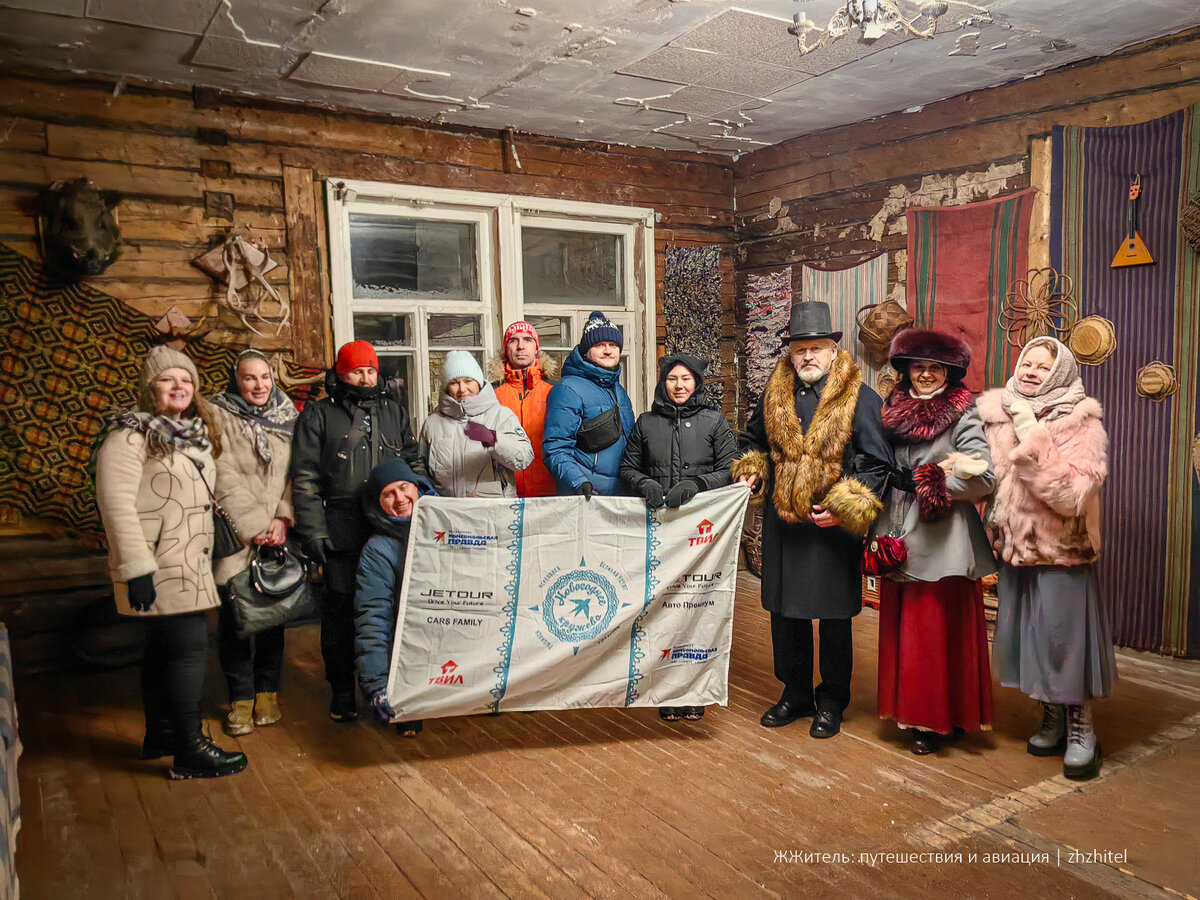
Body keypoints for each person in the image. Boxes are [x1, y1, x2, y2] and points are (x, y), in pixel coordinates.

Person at [733, 301, 892, 739]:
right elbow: (753, 441)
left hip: (832, 528)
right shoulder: (774, 393)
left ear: (832, 351)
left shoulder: (859, 395)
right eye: (800, 348)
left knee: (835, 618)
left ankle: (832, 700)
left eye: (816, 348)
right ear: (791, 352)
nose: (807, 356)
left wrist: (844, 506)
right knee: (785, 615)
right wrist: (752, 468)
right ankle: (796, 693)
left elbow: (877, 461)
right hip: (786, 526)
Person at [94, 344, 247, 779]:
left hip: (188, 562)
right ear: (150, 388)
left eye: (186, 379)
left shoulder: (195, 434)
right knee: (187, 652)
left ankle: (161, 735)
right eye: (167, 379)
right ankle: (190, 750)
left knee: (163, 652)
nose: (179, 386)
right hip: (157, 565)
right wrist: (135, 568)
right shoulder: (129, 437)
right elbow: (115, 504)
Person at [978, 336, 1114, 780]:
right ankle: (1052, 716)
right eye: (1027, 363)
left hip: (1061, 550)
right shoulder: (997, 413)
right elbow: (989, 480)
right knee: (1031, 637)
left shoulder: (1081, 420)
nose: (1032, 371)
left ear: (1060, 373)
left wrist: (1034, 436)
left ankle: (1081, 728)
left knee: (1063, 638)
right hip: (1016, 551)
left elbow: (1074, 497)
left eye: (1043, 365)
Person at [873, 329, 997, 755]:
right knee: (905, 627)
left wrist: (933, 478)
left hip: (943, 538)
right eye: (918, 366)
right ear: (906, 369)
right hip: (896, 529)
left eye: (934, 367)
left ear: (949, 372)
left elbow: (985, 477)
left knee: (933, 630)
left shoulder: (965, 414)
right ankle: (910, 711)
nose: (925, 375)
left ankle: (940, 717)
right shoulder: (890, 408)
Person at [290, 340, 424, 723]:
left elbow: (412, 461)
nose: (365, 377)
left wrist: (423, 506)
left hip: (390, 524)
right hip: (342, 531)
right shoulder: (318, 416)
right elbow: (305, 478)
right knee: (341, 613)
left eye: (370, 370)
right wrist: (313, 531)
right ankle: (343, 689)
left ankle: (394, 687)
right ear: (341, 373)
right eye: (356, 371)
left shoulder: (393, 412)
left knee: (392, 610)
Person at [620, 351, 737, 722]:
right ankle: (664, 690)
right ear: (663, 383)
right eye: (673, 379)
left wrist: (698, 483)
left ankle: (695, 689)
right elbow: (628, 466)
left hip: (701, 534)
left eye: (686, 379)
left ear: (697, 384)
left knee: (697, 610)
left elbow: (731, 465)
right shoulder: (646, 422)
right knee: (663, 610)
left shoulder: (713, 421)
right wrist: (646, 483)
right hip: (660, 530)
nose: (679, 386)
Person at [209, 349, 298, 737]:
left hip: (276, 532)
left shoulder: (288, 414)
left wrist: (282, 517)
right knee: (235, 620)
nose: (259, 385)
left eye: (264, 377)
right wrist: (253, 526)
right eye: (249, 378)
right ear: (236, 380)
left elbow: (297, 471)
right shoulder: (217, 415)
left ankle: (267, 694)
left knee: (272, 616)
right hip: (236, 532)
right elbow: (220, 472)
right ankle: (240, 698)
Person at [354, 458, 437, 738]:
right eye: (388, 494)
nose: (400, 498)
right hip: (411, 641)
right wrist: (376, 686)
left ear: (417, 487)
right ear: (379, 503)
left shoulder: (450, 522)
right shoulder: (378, 550)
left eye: (404, 487)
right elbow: (372, 617)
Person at [543, 311, 636, 497]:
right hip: (587, 496)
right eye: (599, 345)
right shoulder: (568, 390)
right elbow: (556, 448)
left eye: (613, 345)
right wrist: (578, 482)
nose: (608, 350)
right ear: (586, 352)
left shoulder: (620, 391)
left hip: (621, 495)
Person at [421, 350, 533, 498]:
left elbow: (525, 458)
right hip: (448, 513)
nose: (462, 389)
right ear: (447, 387)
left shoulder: (501, 416)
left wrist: (495, 440)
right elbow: (421, 467)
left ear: (478, 382)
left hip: (493, 513)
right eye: (454, 383)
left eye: (468, 381)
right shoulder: (432, 423)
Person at [491, 320, 558, 497]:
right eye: (513, 340)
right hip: (504, 493)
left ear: (536, 348)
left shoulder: (555, 391)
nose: (521, 346)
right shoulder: (490, 394)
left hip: (549, 493)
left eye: (527, 340)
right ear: (506, 349)